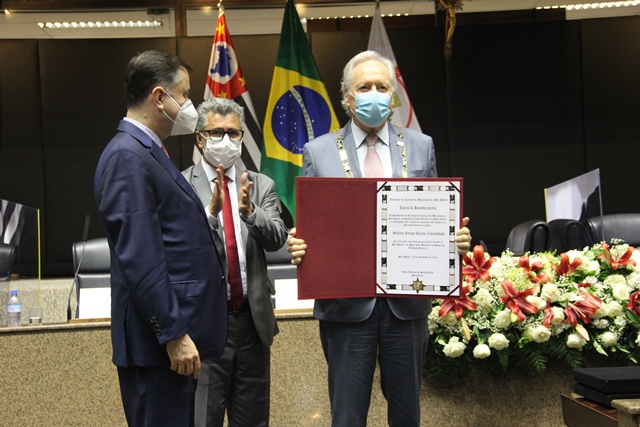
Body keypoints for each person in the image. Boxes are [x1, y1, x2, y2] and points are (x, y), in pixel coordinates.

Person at [287, 50, 472, 427]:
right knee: (348, 414)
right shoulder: (317, 151)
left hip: (406, 306)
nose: (374, 94)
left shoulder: (421, 146)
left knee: (407, 414)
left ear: (393, 95)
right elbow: (311, 224)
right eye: (364, 87)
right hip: (345, 306)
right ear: (347, 97)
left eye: (381, 87)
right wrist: (300, 244)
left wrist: (454, 238)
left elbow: (437, 213)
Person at [94, 50, 227, 427]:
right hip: (157, 346)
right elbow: (141, 256)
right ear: (159, 97)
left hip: (167, 345)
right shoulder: (127, 156)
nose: (189, 106)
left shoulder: (147, 151)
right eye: (183, 96)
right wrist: (173, 333)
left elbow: (167, 234)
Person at [182, 98, 288, 427]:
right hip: (207, 325)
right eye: (217, 133)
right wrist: (211, 215)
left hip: (253, 325)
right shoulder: (181, 185)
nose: (226, 141)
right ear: (200, 138)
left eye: (234, 133)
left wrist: (250, 214)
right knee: (204, 419)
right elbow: (181, 249)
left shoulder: (261, 185)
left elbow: (277, 237)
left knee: (253, 421)